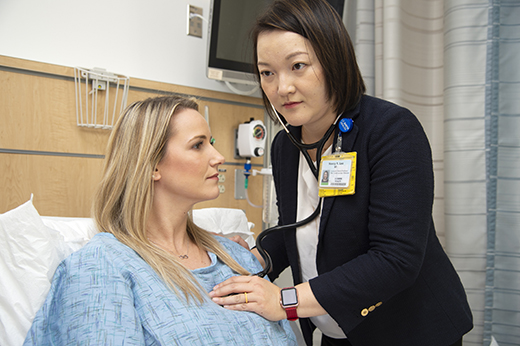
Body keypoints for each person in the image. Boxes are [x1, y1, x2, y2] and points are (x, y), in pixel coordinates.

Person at [209, 1, 473, 345]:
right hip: (339, 331)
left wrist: (284, 301)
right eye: (267, 72)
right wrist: (249, 258)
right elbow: (301, 231)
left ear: (333, 61)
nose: (282, 87)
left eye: (298, 66)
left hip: (409, 331)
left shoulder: (391, 131)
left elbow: (396, 259)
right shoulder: (286, 146)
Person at [23, 95, 297, 345]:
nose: (218, 157)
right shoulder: (101, 265)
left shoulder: (235, 257)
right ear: (153, 165)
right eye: (198, 145)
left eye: (210, 143)